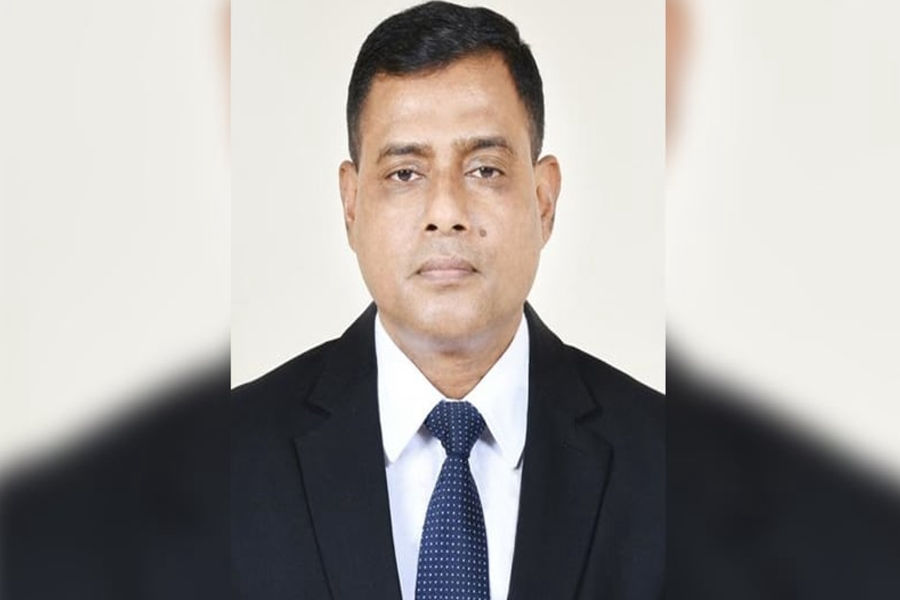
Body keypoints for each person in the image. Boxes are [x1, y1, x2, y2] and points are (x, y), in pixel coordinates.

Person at [231, 2, 664, 599]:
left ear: (544, 201)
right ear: (351, 205)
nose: (445, 213)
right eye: (405, 174)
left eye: (485, 170)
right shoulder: (225, 461)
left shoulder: (672, 464)